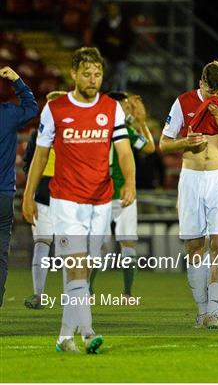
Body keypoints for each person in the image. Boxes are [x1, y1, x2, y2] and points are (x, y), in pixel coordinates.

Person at [22, 47, 136, 353]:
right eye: (87, 73)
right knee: (77, 263)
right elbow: (40, 155)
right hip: (66, 199)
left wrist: (130, 183)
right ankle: (88, 332)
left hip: (101, 200)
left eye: (98, 74)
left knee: (85, 269)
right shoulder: (55, 109)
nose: (93, 79)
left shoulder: (112, 108)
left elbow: (124, 151)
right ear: (74, 74)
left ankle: (63, 336)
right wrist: (29, 195)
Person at [160, 60, 218, 329]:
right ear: (201, 83)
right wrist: (184, 142)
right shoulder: (183, 102)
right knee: (195, 247)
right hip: (192, 179)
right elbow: (163, 144)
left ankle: (213, 313)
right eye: (210, 92)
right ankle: (201, 309)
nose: (215, 97)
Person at [89, 91, 155, 298]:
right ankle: (126, 294)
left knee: (98, 245)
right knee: (126, 244)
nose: (128, 109)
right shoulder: (126, 131)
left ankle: (87, 291)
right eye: (125, 106)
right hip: (119, 193)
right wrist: (141, 123)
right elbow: (150, 148)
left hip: (100, 194)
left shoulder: (94, 128)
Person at [22, 91, 66, 310]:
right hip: (44, 192)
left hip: (68, 191)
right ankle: (38, 294)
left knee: (68, 245)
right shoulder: (37, 135)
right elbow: (28, 163)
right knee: (42, 242)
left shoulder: (70, 133)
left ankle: (75, 295)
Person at [0, 66, 38, 307]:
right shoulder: (8, 113)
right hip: (3, 193)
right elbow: (32, 107)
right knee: (1, 253)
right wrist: (17, 80)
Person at [93, 2, 134, 91]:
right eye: (110, 9)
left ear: (118, 10)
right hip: (107, 58)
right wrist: (107, 41)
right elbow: (96, 39)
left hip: (121, 58)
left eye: (114, 9)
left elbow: (131, 39)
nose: (112, 11)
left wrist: (120, 43)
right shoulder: (102, 23)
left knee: (121, 82)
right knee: (106, 82)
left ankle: (121, 102)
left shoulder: (125, 23)